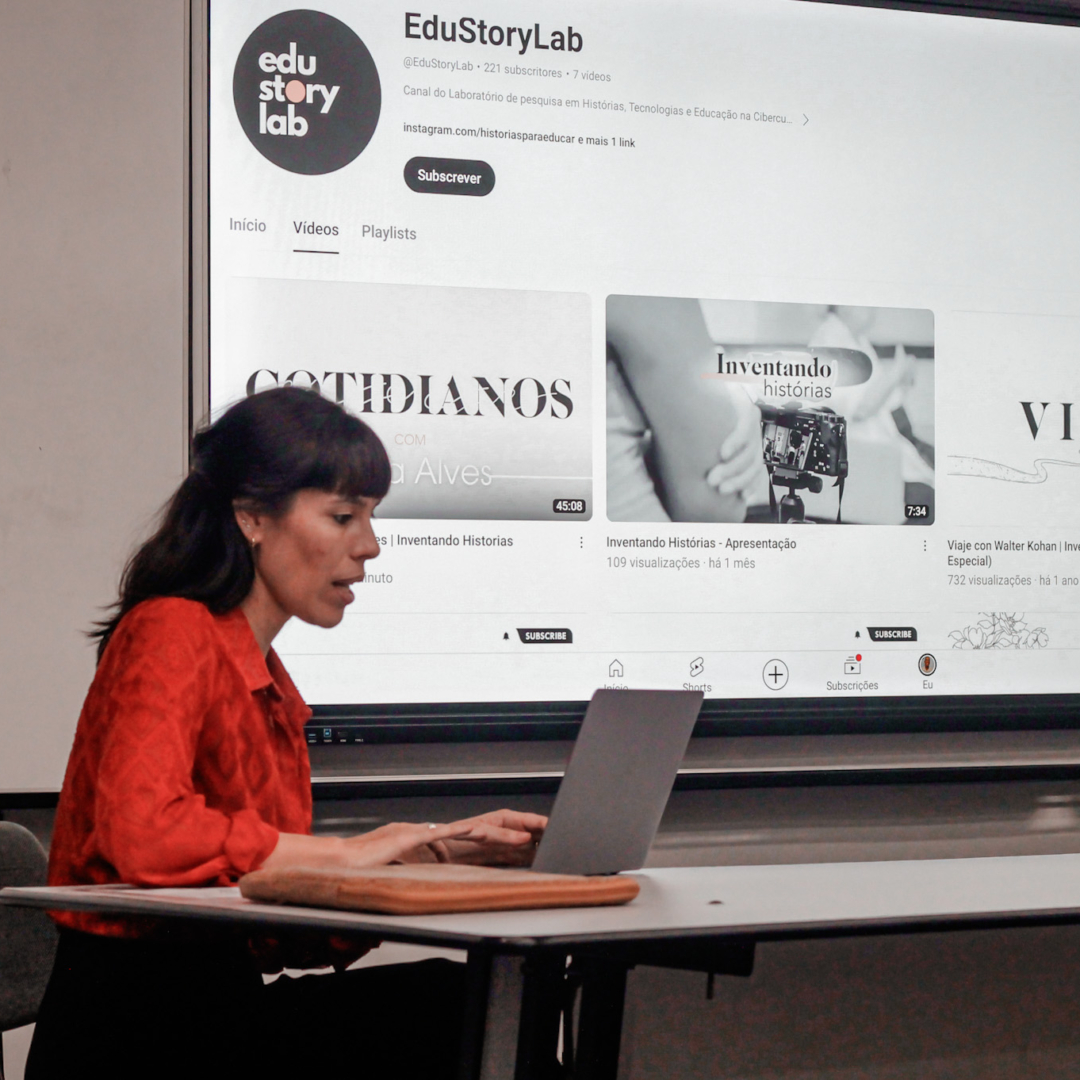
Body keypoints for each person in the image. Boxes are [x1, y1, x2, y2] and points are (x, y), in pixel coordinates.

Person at [26, 386, 547, 1080]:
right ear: (252, 517)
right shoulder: (171, 628)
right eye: (342, 516)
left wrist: (429, 860)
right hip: (136, 1032)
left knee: (460, 1001)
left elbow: (271, 935)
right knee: (452, 1010)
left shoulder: (271, 684)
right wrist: (346, 852)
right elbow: (142, 835)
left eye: (370, 517)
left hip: (214, 1016)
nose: (370, 546)